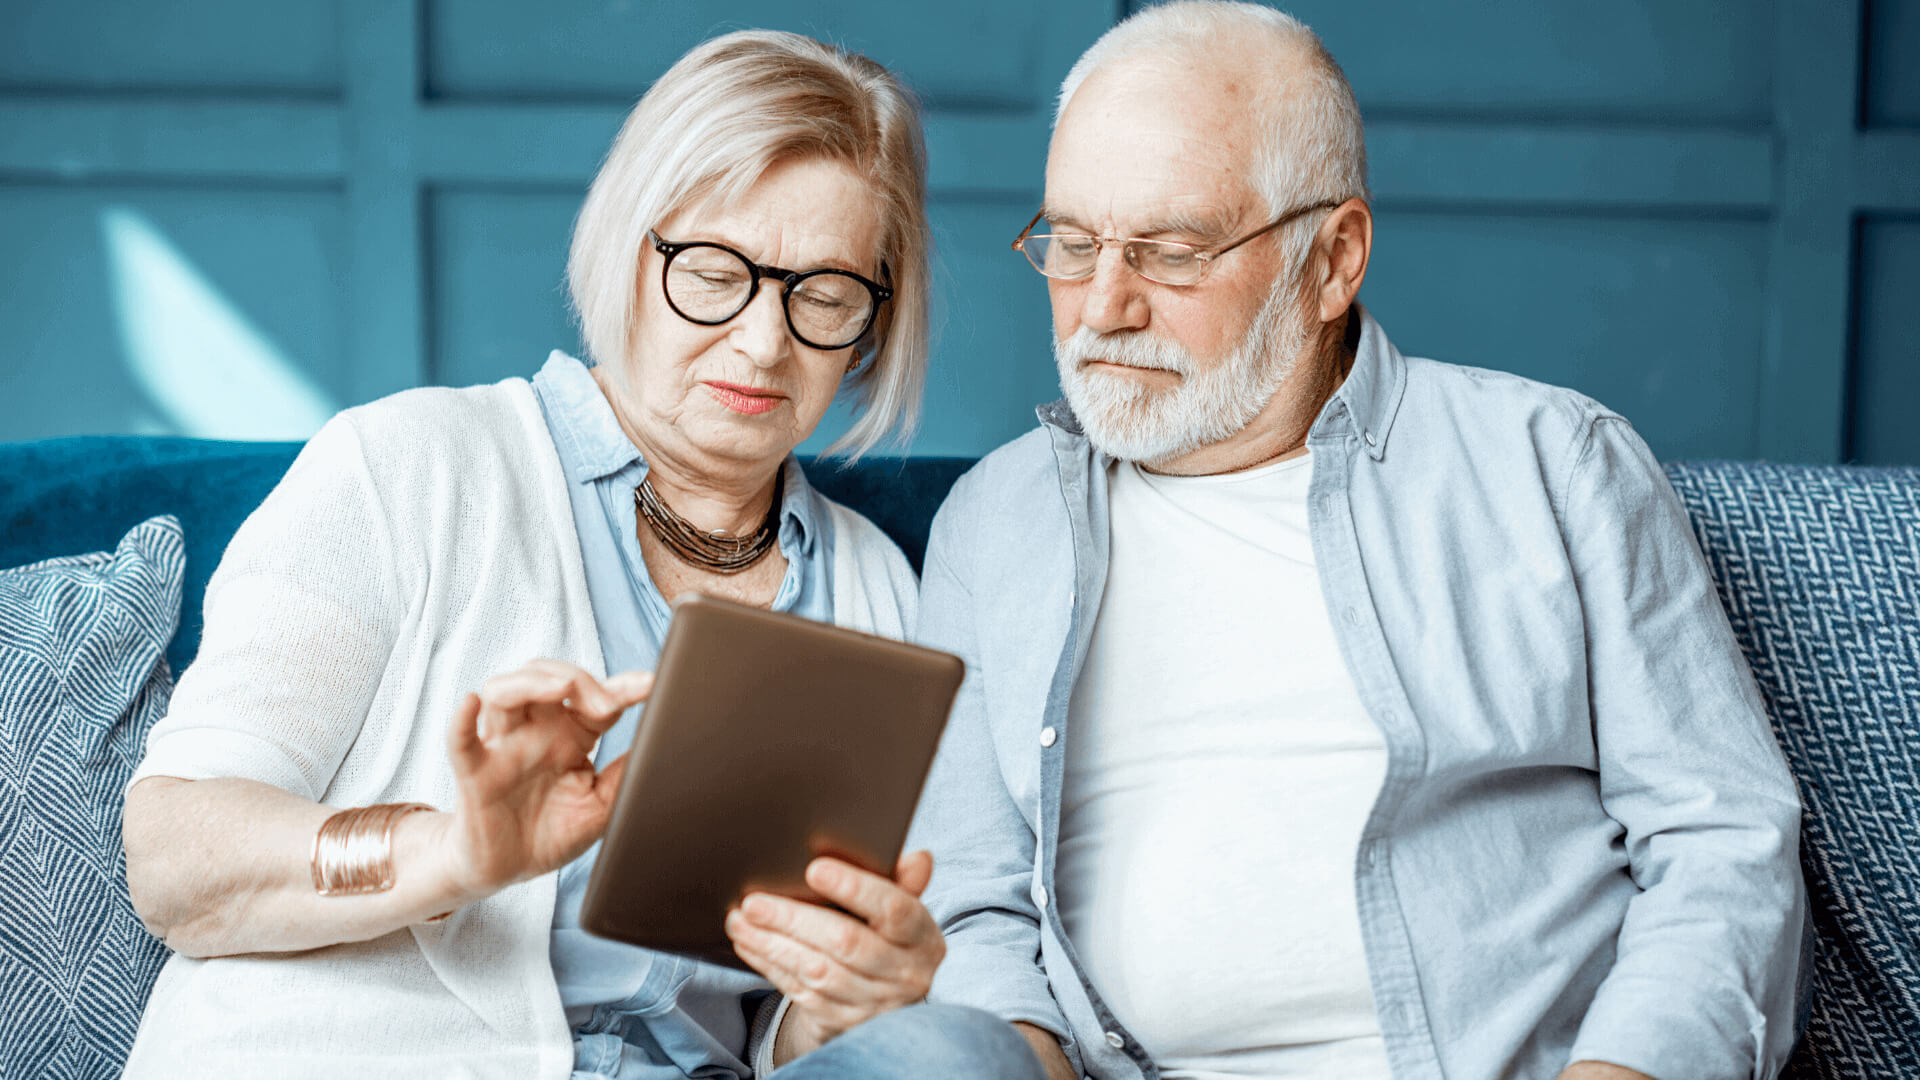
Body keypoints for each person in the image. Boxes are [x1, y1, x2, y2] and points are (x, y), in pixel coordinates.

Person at [119, 30, 1043, 1080]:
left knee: (956, 1051)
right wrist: (448, 853)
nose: (762, 343)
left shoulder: (876, 585)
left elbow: (770, 1028)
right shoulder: (410, 464)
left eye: (824, 295)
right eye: (713, 272)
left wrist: (853, 1002)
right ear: (629, 253)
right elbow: (175, 856)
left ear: (875, 322)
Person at [907, 4, 1808, 1079]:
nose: (1103, 305)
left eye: (1174, 251)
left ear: (1333, 259)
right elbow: (972, 901)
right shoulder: (993, 523)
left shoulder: (1553, 466)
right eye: (1071, 242)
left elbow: (1722, 848)